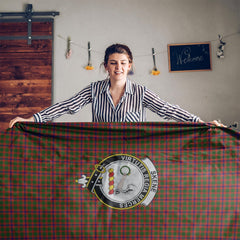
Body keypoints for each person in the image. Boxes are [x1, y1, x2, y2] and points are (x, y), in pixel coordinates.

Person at [9, 43, 225, 128]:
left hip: (135, 154)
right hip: (102, 153)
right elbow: (66, 106)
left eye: (123, 63)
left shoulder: (141, 93)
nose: (118, 67)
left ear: (130, 65)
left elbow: (168, 109)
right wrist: (31, 119)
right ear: (106, 66)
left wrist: (201, 122)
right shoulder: (93, 90)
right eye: (113, 63)